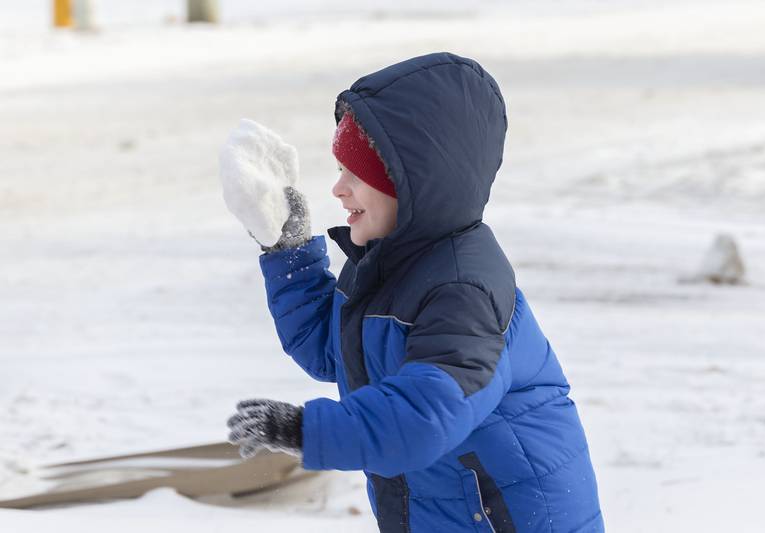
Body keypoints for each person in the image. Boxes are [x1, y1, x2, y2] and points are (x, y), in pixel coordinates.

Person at [221, 52, 604, 532]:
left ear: (412, 184)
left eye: (355, 174)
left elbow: (426, 416)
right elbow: (333, 351)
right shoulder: (393, 268)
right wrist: (288, 250)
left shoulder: (463, 291)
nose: (338, 189)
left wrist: (306, 429)